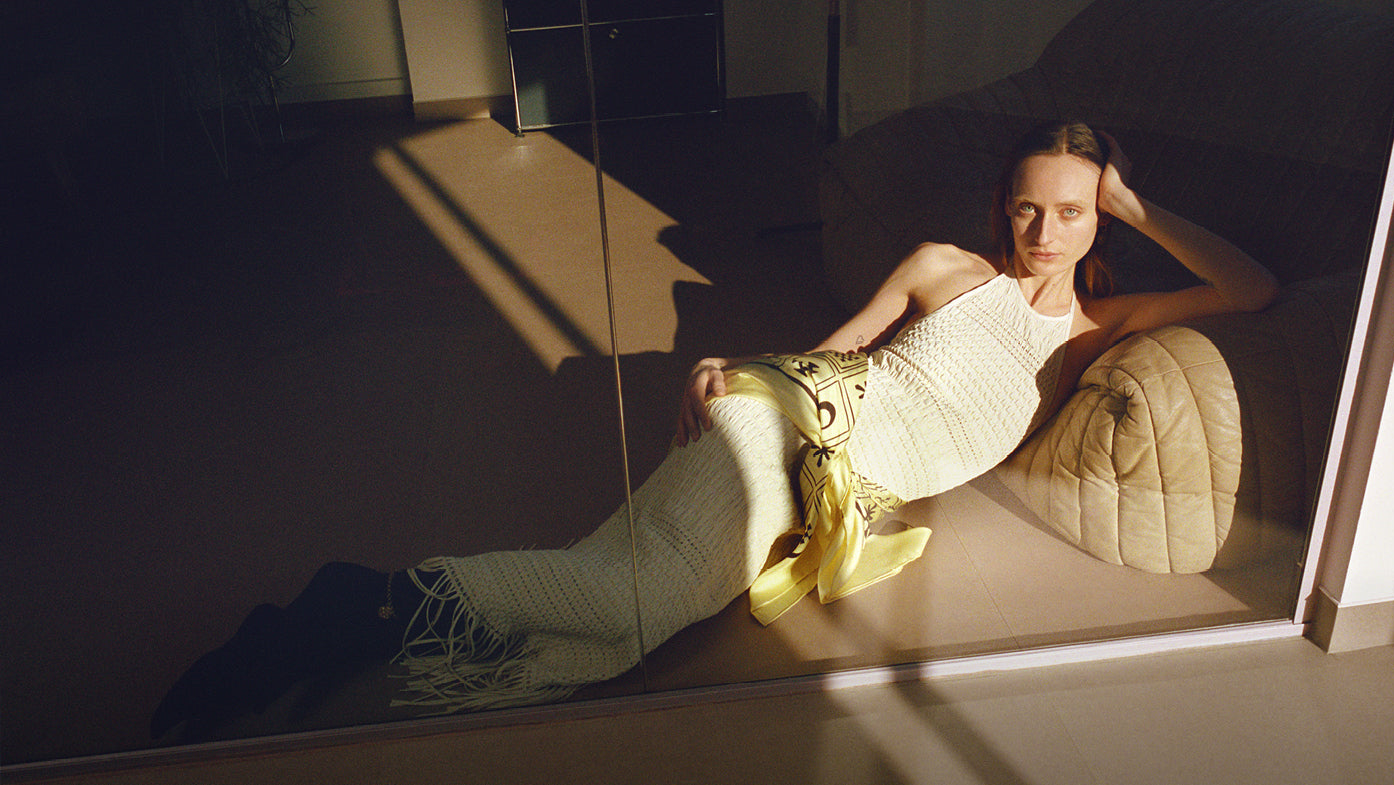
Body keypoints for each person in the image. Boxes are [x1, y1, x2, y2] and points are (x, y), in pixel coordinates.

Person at [151, 121, 1279, 740]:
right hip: (792, 418)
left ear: (1098, 221)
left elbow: (1251, 288)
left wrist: (1132, 201)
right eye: (1028, 206)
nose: (1043, 230)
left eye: (1071, 212)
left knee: (621, 608)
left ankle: (352, 612)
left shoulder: (1086, 329)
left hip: (824, 488)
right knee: (622, 604)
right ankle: (342, 609)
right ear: (1004, 206)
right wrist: (738, 370)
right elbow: (839, 349)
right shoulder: (946, 267)